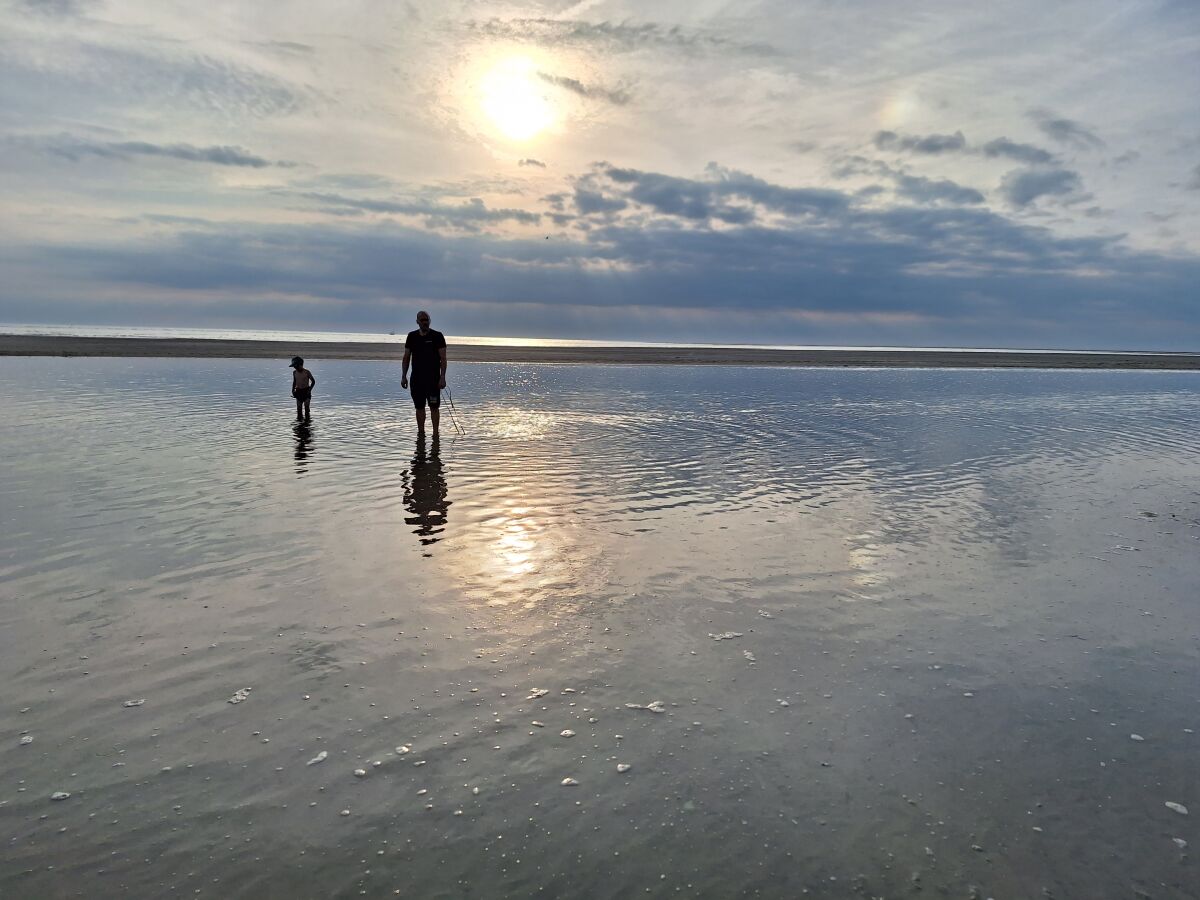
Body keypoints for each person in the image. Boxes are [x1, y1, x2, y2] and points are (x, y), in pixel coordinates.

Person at [400, 310, 447, 436]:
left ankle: (436, 434)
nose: (425, 322)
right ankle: (421, 434)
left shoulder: (437, 336)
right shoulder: (412, 336)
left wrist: (442, 377)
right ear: (417, 322)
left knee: (434, 407)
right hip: (417, 380)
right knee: (419, 407)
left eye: (427, 320)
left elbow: (443, 358)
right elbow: (406, 357)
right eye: (422, 320)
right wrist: (403, 376)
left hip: (433, 380)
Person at [289, 356, 316, 421]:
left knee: (306, 407)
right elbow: (294, 382)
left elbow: (313, 381)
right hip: (298, 392)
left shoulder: (307, 372)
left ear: (301, 365)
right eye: (294, 367)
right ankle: (299, 422)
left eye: (296, 366)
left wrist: (309, 390)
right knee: (299, 408)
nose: (295, 368)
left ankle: (307, 421)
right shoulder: (294, 372)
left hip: (306, 391)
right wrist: (293, 390)